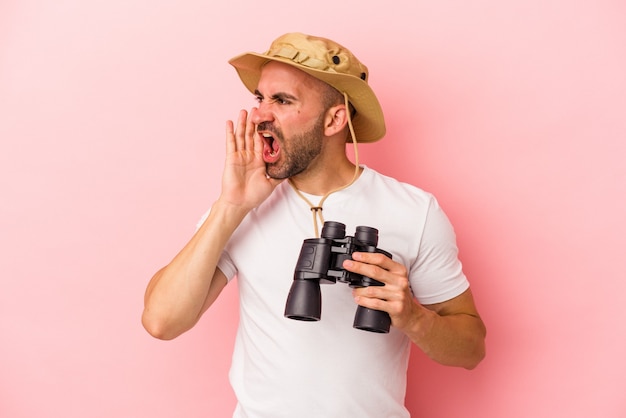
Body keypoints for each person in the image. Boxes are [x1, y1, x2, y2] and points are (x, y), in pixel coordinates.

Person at [142, 32, 486, 417]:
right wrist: (230, 206)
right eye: (259, 98)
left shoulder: (413, 211)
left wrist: (414, 318)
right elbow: (161, 321)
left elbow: (471, 349)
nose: (259, 114)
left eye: (282, 100)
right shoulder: (244, 205)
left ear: (334, 119)